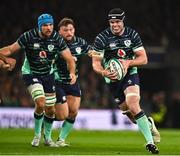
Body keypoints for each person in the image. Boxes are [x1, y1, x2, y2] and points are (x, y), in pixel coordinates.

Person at [0, 13, 76, 147]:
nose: (49, 28)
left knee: (51, 110)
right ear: (40, 26)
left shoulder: (57, 38)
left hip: (48, 75)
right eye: (45, 25)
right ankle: (36, 136)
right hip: (31, 73)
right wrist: (3, 56)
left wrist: (72, 73)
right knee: (41, 103)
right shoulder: (29, 36)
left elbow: (69, 58)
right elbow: (11, 49)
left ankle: (47, 138)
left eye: (51, 25)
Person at [91, 8, 160, 154]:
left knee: (133, 104)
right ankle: (148, 123)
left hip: (130, 74)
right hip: (112, 78)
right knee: (131, 115)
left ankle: (150, 142)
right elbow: (95, 62)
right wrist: (103, 71)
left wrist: (128, 63)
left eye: (117, 22)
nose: (114, 25)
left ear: (123, 21)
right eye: (112, 22)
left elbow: (144, 59)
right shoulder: (102, 38)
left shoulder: (132, 35)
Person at [54, 17, 91, 147]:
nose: (69, 32)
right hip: (56, 80)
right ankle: (45, 119)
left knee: (73, 111)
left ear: (74, 30)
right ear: (59, 31)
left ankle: (61, 139)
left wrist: (103, 55)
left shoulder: (80, 42)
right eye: (65, 30)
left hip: (72, 81)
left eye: (71, 29)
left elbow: (92, 52)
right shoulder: (55, 43)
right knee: (61, 116)